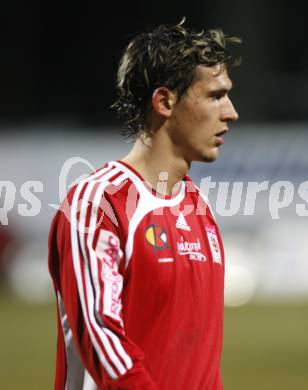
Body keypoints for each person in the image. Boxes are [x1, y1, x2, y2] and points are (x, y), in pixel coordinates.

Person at [48, 18, 241, 390]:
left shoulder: (198, 207)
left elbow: (200, 364)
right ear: (165, 101)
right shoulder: (99, 202)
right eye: (216, 95)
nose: (231, 112)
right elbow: (101, 337)